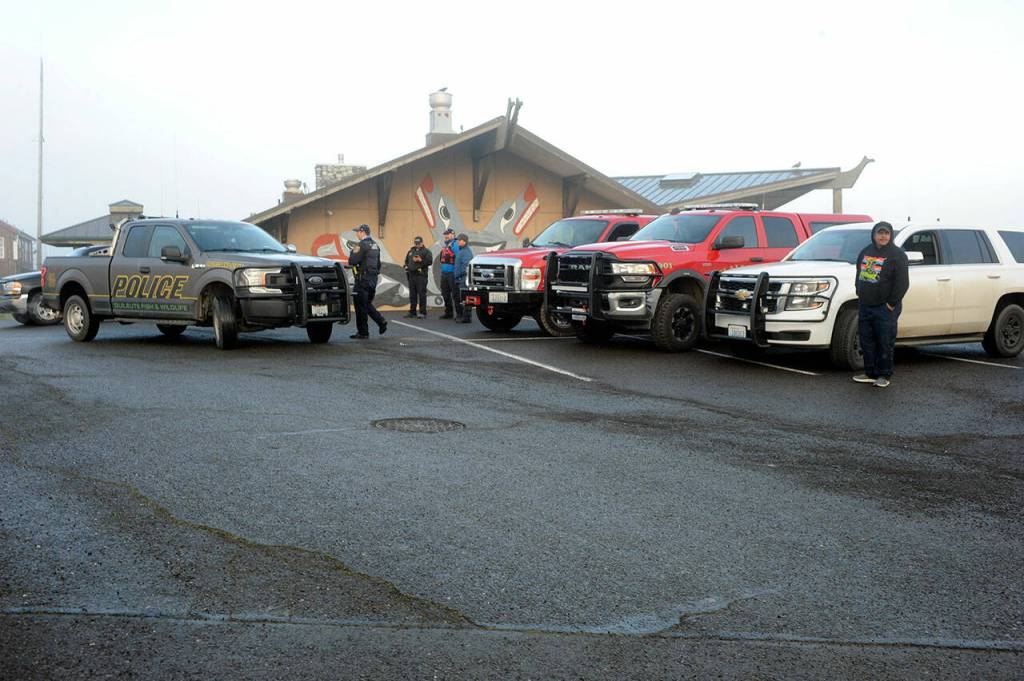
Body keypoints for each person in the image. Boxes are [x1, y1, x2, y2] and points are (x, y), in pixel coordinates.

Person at [853, 221, 909, 387]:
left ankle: (884, 375)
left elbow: (902, 283)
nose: (883, 236)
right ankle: (870, 372)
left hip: (885, 308)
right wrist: (859, 292)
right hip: (865, 305)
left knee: (885, 342)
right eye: (880, 233)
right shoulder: (866, 251)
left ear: (890, 235)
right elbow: (859, 274)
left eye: (886, 233)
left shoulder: (897, 255)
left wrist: (891, 304)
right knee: (867, 341)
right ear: (874, 234)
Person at [347, 224, 387, 339]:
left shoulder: (361, 245)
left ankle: (363, 332)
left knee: (360, 306)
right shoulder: (375, 245)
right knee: (366, 304)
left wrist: (352, 252)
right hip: (373, 279)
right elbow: (378, 264)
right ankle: (381, 321)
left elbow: (352, 261)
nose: (356, 234)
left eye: (357, 232)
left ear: (362, 232)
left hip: (362, 280)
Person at [404, 235, 433, 318]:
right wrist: (406, 266)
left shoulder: (426, 251)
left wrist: (421, 260)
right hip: (411, 275)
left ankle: (422, 312)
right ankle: (412, 312)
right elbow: (406, 261)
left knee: (421, 294)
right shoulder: (411, 251)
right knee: (412, 295)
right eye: (416, 243)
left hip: (421, 276)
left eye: (418, 243)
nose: (417, 245)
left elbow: (429, 261)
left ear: (422, 243)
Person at [438, 227, 460, 319]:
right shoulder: (446, 246)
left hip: (452, 274)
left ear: (452, 234)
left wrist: (457, 272)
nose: (445, 236)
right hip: (444, 274)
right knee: (445, 293)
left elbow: (458, 258)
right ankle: (449, 312)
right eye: (445, 235)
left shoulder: (455, 245)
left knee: (455, 294)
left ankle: (459, 314)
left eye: (447, 234)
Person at [454, 233, 474, 323]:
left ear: (464, 241)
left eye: (459, 240)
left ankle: (467, 317)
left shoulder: (466, 252)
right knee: (461, 298)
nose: (458, 241)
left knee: (465, 298)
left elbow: (466, 267)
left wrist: (459, 275)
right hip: (460, 278)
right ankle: (463, 316)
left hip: (464, 279)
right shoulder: (461, 250)